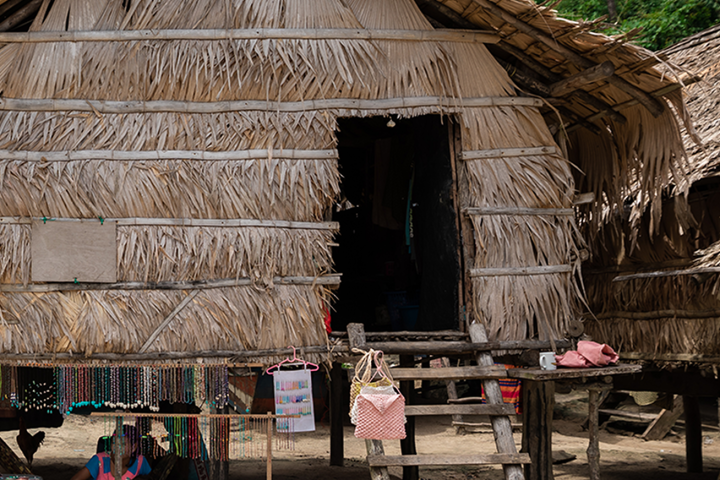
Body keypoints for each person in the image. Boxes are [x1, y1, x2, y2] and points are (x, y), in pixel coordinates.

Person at [70, 425, 151, 480]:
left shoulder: (140, 462)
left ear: (133, 447)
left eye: (122, 444)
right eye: (114, 443)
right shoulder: (99, 460)